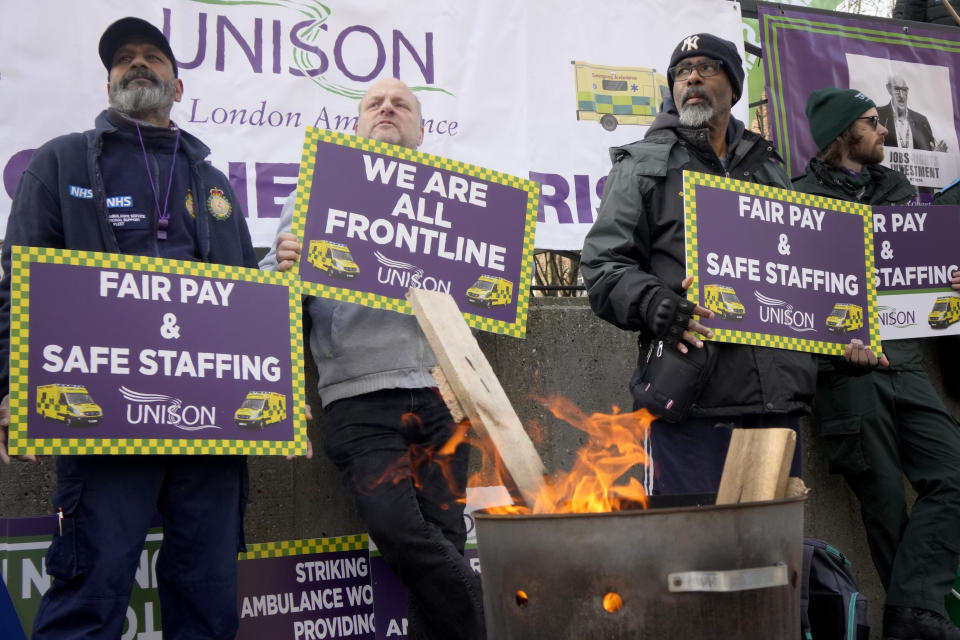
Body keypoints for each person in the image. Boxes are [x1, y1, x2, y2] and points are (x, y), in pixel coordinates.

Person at [0, 17, 256, 639]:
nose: (136, 64)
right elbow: (19, 286)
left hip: (210, 427)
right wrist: (14, 387)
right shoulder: (59, 162)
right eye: (123, 59)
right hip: (103, 419)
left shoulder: (216, 184)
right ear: (110, 81)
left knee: (210, 595)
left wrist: (282, 410)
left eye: (152, 56)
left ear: (178, 84)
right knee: (91, 589)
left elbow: (248, 300)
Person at [260, 77, 484, 640]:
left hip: (444, 392)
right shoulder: (313, 192)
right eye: (373, 104)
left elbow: (486, 291)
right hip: (358, 397)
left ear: (421, 128)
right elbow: (267, 295)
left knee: (444, 538)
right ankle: (506, 609)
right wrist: (281, 271)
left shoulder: (455, 199)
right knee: (401, 532)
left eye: (401, 104)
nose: (387, 109)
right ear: (357, 124)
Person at [580, 33, 827, 496]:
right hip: (690, 402)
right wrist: (655, 303)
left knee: (769, 559)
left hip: (774, 408)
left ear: (733, 86)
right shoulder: (642, 166)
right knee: (689, 557)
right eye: (681, 70)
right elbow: (602, 265)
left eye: (707, 67)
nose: (691, 77)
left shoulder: (769, 168)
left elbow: (803, 281)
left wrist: (842, 344)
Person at [794, 86, 960, 640]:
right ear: (845, 133)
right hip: (845, 375)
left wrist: (948, 282)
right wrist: (832, 348)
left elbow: (918, 279)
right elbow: (791, 298)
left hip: (907, 360)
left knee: (953, 475)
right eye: (873, 122)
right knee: (885, 502)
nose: (885, 129)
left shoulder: (900, 191)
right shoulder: (796, 201)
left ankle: (911, 611)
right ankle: (922, 623)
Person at [876, 74, 946, 152]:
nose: (902, 95)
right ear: (889, 89)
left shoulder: (922, 121)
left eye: (904, 89)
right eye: (896, 89)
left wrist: (936, 155)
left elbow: (929, 153)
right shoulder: (877, 115)